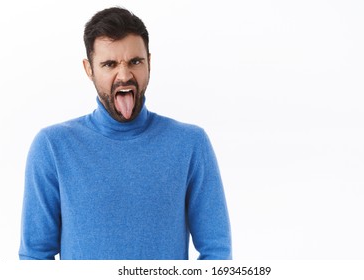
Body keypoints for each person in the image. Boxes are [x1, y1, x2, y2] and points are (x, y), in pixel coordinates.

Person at [19, 7, 232, 260]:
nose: (124, 75)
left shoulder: (191, 143)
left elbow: (217, 252)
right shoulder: (52, 147)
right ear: (89, 69)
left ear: (149, 63)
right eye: (109, 64)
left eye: (135, 62)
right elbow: (34, 258)